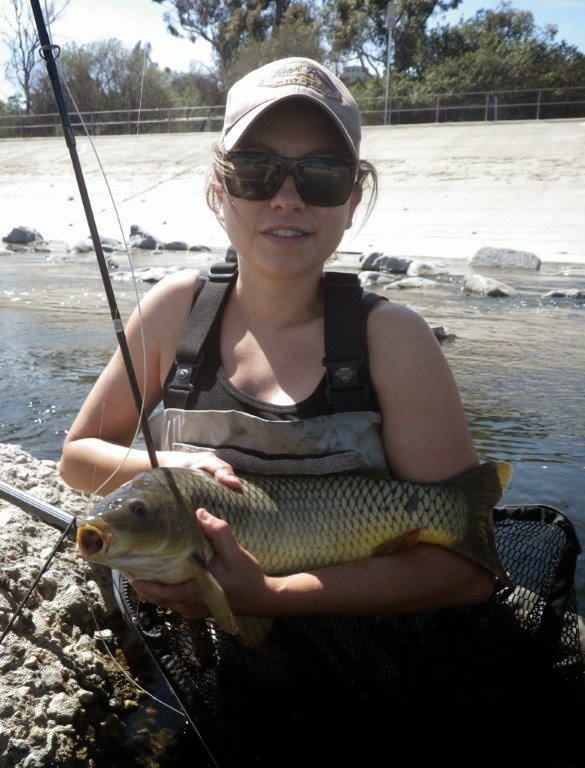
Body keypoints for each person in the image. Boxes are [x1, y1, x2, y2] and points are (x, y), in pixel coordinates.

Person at [60, 57, 500, 763]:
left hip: (371, 691)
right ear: (218, 190)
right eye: (257, 172)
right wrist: (167, 464)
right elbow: (79, 457)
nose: (286, 198)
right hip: (211, 671)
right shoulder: (175, 312)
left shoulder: (393, 341)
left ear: (352, 199)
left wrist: (274, 594)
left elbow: (466, 572)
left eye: (319, 174)